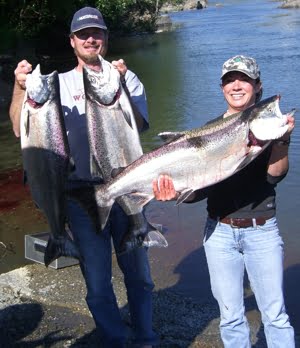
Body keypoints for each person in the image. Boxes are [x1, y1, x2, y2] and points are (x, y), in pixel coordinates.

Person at [9, 7, 158, 348]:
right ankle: (114, 340)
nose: (91, 39)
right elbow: (20, 126)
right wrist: (20, 88)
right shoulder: (55, 83)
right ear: (72, 41)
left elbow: (141, 125)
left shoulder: (126, 78)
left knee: (138, 273)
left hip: (125, 187)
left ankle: (146, 338)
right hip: (78, 194)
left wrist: (120, 84)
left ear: (106, 38)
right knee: (97, 280)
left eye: (98, 33)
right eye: (83, 34)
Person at [152, 55, 295, 347]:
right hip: (219, 233)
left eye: (244, 79)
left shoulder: (265, 124)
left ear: (257, 86)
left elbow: (275, 176)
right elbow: (198, 193)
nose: (237, 86)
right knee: (230, 317)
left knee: (276, 315)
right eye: (230, 80)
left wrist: (282, 140)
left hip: (262, 231)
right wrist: (173, 193)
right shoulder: (208, 129)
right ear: (222, 88)